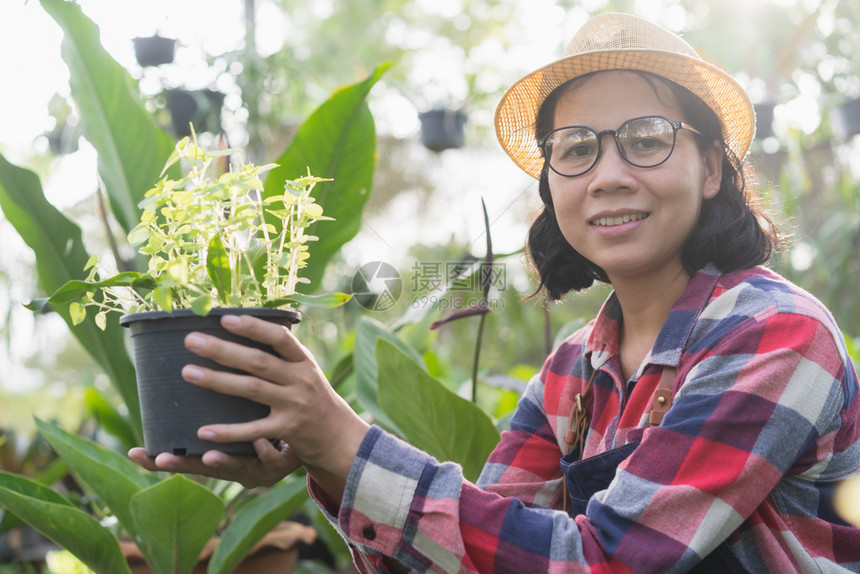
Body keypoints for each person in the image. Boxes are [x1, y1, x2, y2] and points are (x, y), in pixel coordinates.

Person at [129, 12, 860, 573]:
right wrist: (318, 456)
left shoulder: (777, 335)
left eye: (646, 138)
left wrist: (347, 443)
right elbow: (485, 547)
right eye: (576, 148)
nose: (607, 174)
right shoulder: (572, 372)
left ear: (710, 170)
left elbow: (604, 560)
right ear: (552, 186)